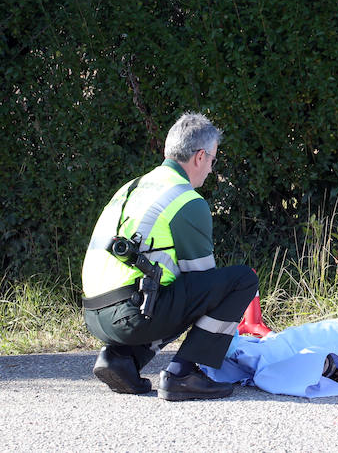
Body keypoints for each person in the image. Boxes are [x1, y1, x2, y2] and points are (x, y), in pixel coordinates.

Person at [81, 112, 258, 399]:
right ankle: (183, 373)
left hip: (93, 313)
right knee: (241, 280)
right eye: (213, 160)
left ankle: (121, 359)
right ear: (200, 157)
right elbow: (203, 284)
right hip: (130, 315)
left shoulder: (133, 187)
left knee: (169, 289)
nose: (212, 169)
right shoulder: (185, 199)